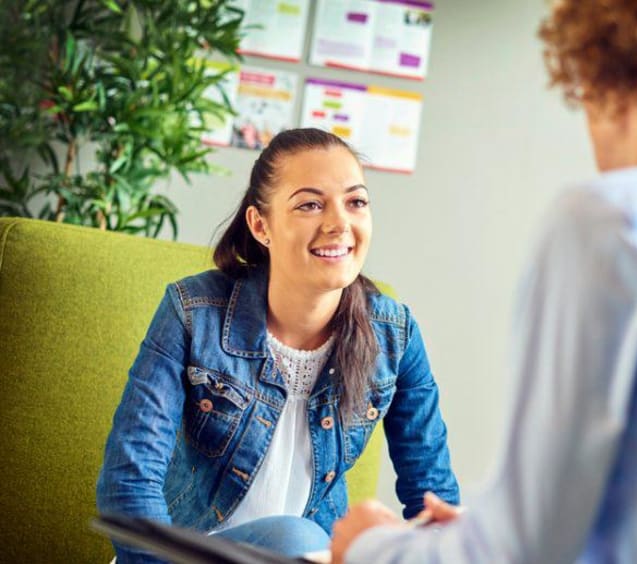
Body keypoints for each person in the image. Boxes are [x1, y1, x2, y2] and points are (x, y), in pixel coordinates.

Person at [331, 1, 637, 562]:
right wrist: (479, 529)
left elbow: (519, 550)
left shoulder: (618, 223)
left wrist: (367, 549)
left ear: (612, 82)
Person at [96, 128, 459, 563]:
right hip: (178, 558)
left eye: (356, 201)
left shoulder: (394, 335)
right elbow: (128, 482)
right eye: (310, 204)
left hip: (309, 556)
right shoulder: (193, 312)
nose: (339, 223)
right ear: (260, 225)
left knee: (307, 543)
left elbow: (432, 498)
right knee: (294, 538)